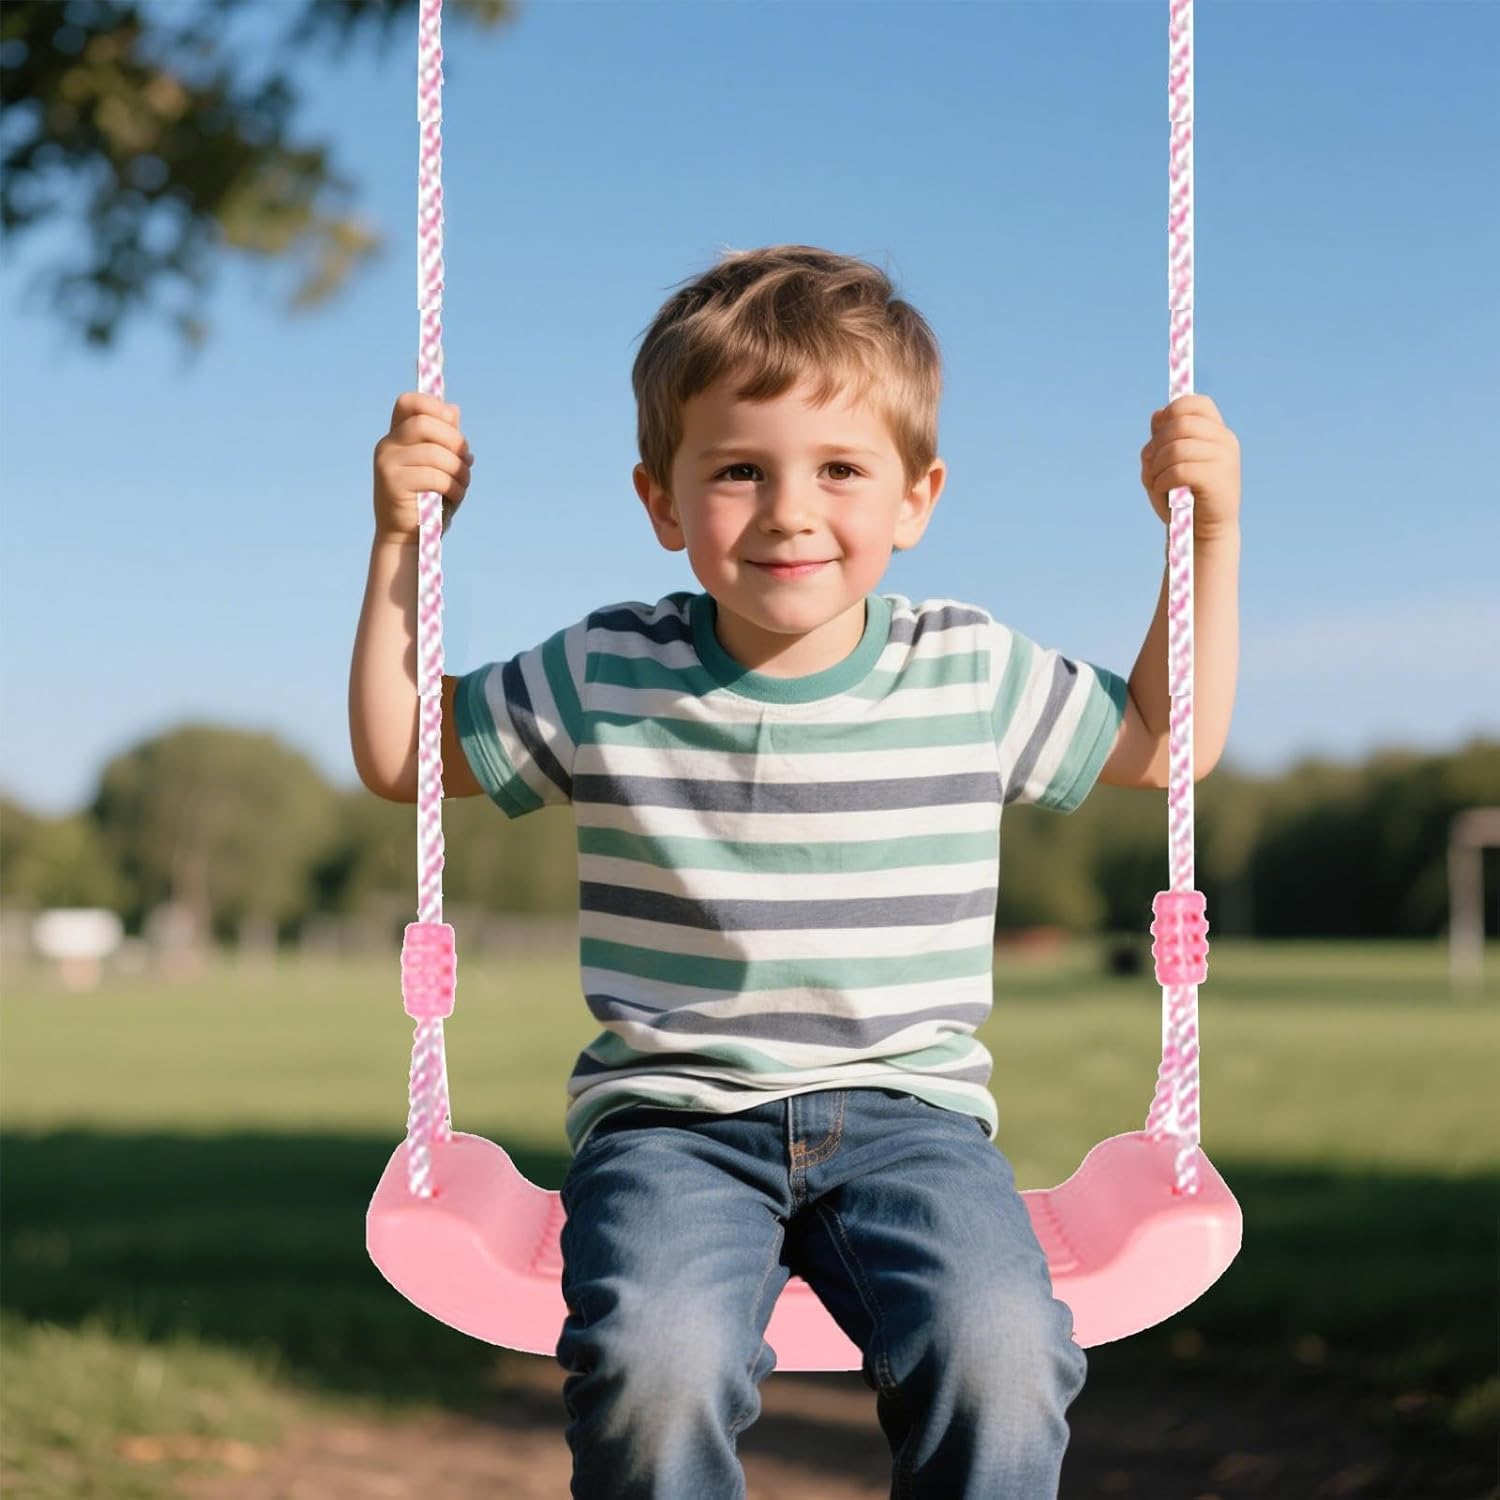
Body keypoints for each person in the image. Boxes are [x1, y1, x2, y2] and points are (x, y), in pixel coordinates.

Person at [350, 243, 1243, 1499]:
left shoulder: (967, 668)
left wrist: (1210, 534)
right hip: (671, 1126)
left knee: (1002, 1351)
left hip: (911, 1121)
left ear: (916, 497)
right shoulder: (608, 670)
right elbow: (404, 754)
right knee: (653, 1363)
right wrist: (399, 540)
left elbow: (1166, 740)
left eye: (839, 469)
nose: (788, 510)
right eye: (738, 470)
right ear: (662, 501)